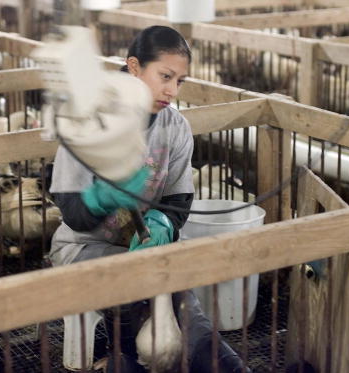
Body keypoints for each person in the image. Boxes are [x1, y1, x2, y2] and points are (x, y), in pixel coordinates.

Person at [49, 25, 248, 373]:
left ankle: (229, 367)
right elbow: (73, 213)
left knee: (185, 304)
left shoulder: (175, 127)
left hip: (146, 248)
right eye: (165, 76)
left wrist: (164, 223)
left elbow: (179, 198)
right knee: (140, 293)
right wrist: (98, 200)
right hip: (86, 246)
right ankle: (126, 357)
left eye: (180, 81)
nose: (172, 91)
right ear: (134, 66)